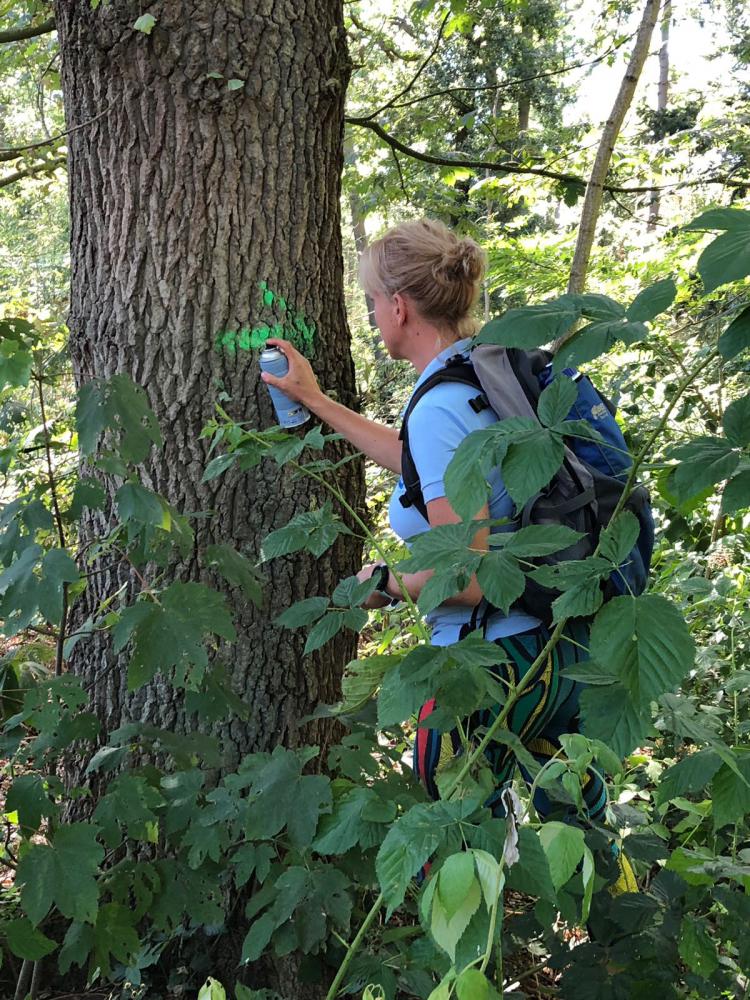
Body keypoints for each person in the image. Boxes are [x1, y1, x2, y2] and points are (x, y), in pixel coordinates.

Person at [260, 220, 633, 888]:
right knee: (573, 806)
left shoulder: (441, 407)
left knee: (452, 829)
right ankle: (614, 927)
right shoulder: (486, 375)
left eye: (373, 300)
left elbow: (462, 576)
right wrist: (317, 402)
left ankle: (468, 966)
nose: (373, 314)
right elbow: (424, 464)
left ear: (399, 307)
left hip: (494, 662)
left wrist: (387, 583)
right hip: (566, 644)